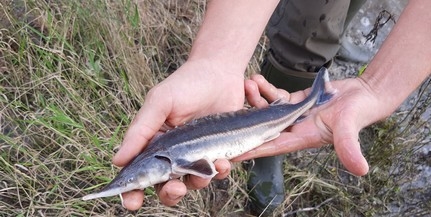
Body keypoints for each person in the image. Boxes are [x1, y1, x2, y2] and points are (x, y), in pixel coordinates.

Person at [112, 0, 431, 214]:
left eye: (131, 180)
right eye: (130, 181)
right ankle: (319, 53)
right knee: (309, 32)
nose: (131, 183)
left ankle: (333, 43)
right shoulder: (165, 159)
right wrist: (216, 61)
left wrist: (381, 87)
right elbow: (202, 168)